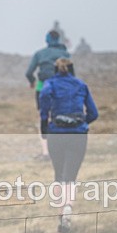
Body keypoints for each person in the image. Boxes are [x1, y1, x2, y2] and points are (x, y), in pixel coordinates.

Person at [39, 57, 98, 233]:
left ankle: (60, 212)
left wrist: (45, 129)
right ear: (72, 68)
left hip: (56, 133)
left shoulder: (49, 84)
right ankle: (68, 209)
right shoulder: (81, 85)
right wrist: (81, 123)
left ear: (55, 69)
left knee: (58, 174)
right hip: (78, 135)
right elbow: (93, 113)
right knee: (70, 175)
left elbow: (43, 107)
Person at [26, 29, 73, 157]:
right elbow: (71, 74)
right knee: (60, 117)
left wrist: (32, 82)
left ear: (47, 39)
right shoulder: (65, 54)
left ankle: (46, 152)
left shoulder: (40, 54)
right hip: (62, 89)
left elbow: (29, 72)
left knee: (43, 117)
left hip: (42, 88)